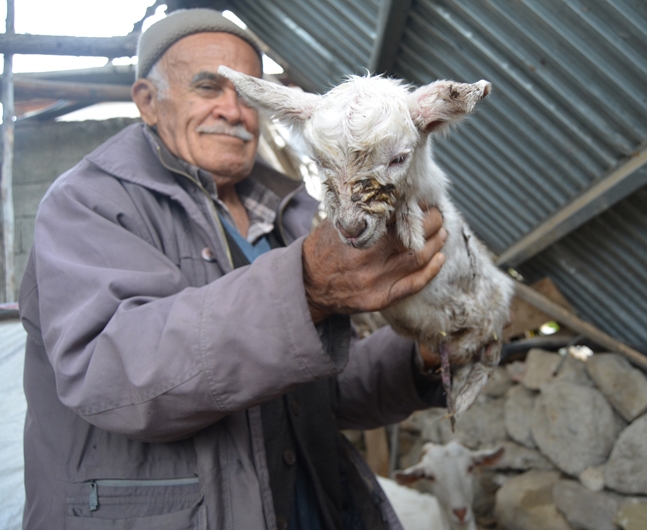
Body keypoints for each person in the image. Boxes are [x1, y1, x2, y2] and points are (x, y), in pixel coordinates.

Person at [18, 9, 449, 530]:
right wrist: (305, 286)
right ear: (147, 102)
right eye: (208, 87)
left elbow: (322, 391)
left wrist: (422, 352)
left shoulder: (291, 214)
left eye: (248, 95)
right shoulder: (87, 203)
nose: (234, 110)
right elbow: (112, 376)